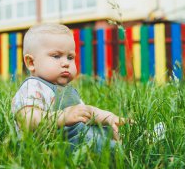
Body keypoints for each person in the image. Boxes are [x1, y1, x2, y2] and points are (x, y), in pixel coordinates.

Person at [11, 23, 126, 153]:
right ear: (31, 62)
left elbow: (85, 112)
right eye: (56, 56)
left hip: (75, 135)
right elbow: (27, 119)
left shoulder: (66, 89)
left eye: (70, 57)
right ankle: (118, 150)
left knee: (108, 129)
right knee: (97, 143)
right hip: (48, 147)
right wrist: (62, 116)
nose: (66, 63)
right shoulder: (32, 87)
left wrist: (108, 117)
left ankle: (139, 137)